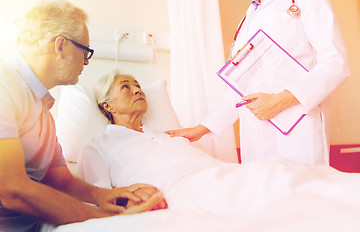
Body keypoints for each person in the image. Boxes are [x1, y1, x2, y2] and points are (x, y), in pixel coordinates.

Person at [77, 72, 360, 218]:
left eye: (138, 84)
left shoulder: (166, 135)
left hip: (217, 173)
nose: (137, 89)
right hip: (180, 189)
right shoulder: (98, 145)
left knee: (277, 172)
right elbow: (100, 198)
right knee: (269, 186)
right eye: (126, 87)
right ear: (107, 105)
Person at [0, 1, 166, 232]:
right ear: (60, 46)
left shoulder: (43, 110)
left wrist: (105, 195)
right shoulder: (4, 85)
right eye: (85, 51)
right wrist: (104, 219)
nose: (87, 61)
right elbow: (11, 189)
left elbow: (61, 180)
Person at [165, 0, 350, 166]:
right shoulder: (248, 18)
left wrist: (279, 101)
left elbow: (335, 63)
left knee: (302, 195)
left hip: (298, 131)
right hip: (255, 138)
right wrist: (200, 130)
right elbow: (237, 93)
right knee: (262, 194)